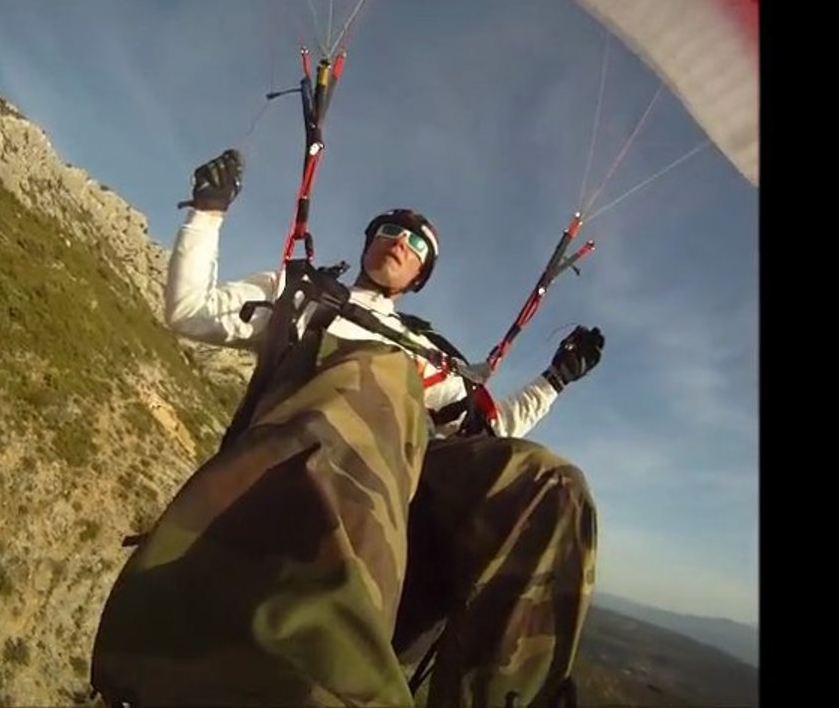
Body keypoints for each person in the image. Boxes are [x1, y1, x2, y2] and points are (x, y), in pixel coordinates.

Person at [90, 149, 604, 708]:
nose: (401, 244)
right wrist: (207, 213)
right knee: (378, 374)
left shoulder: (429, 357)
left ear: (420, 276)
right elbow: (190, 310)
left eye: (417, 247)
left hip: (393, 492)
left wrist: (553, 382)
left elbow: (490, 428)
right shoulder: (305, 298)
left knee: (549, 484)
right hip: (296, 464)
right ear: (368, 241)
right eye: (391, 231)